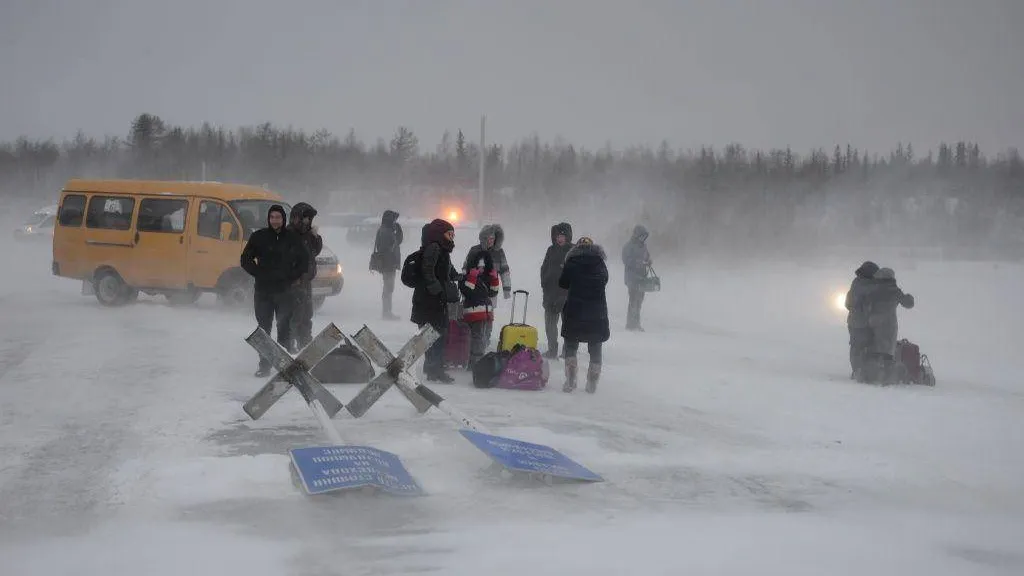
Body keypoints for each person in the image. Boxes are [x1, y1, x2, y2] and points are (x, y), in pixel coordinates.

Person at [240, 204, 309, 377]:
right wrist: (259, 273)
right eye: (272, 217)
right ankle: (264, 365)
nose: (275, 220)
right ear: (268, 219)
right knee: (264, 330)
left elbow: (304, 261)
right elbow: (245, 259)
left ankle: (283, 366)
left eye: (278, 217)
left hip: (284, 292)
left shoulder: (292, 238)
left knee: (283, 327)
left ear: (283, 219)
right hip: (263, 291)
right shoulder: (259, 237)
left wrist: (291, 276)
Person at [558, 236, 610, 393]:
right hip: (596, 312)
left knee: (571, 345)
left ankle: (570, 377)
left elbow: (563, 283)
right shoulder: (600, 264)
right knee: (595, 347)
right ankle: (593, 379)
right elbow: (605, 280)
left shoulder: (572, 263)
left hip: (575, 310)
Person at [411, 218, 460, 383]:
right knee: (435, 335)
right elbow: (428, 271)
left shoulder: (443, 250)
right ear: (440, 234)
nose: (452, 238)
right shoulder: (434, 248)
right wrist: (438, 290)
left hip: (435, 300)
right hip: (429, 300)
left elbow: (449, 272)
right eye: (449, 234)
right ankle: (434, 369)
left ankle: (433, 368)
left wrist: (461, 276)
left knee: (437, 334)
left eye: (453, 234)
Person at [862, 267, 915, 384]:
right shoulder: (894, 290)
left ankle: (871, 375)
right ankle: (887, 377)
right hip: (888, 324)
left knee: (873, 350)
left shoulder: (873, 289)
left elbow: (865, 304)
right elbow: (908, 304)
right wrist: (909, 297)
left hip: (872, 322)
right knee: (887, 353)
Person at [463, 224, 511, 345]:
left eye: (493, 239)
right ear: (483, 238)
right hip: (474, 291)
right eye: (489, 238)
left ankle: (485, 341)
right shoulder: (474, 250)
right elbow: (465, 268)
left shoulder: (499, 252)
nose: (492, 241)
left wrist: (507, 288)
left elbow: (504, 270)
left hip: (491, 291)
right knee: (475, 316)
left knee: (488, 317)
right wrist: (465, 286)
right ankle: (472, 342)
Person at [287, 202, 322, 352]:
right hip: (293, 283)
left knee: (307, 314)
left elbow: (314, 252)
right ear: (296, 218)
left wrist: (316, 237)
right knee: (294, 316)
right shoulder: (288, 234)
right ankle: (289, 346)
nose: (308, 222)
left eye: (309, 219)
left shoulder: (307, 235)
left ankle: (305, 343)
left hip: (306, 281)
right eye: (305, 218)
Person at [460, 250, 500, 369]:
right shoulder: (467, 277)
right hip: (474, 314)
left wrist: (494, 279)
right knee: (477, 339)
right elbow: (468, 292)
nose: (481, 270)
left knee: (482, 338)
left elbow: (493, 292)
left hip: (486, 314)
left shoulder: (485, 278)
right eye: (479, 267)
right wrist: (472, 277)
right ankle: (475, 364)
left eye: (483, 267)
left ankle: (476, 362)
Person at [539, 222, 573, 359]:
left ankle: (568, 351)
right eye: (558, 236)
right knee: (550, 325)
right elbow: (544, 268)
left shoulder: (573, 251)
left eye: (563, 236)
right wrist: (544, 284)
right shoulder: (551, 250)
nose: (560, 238)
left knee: (568, 325)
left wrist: (566, 293)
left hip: (568, 295)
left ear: (568, 237)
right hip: (551, 294)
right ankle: (552, 349)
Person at [843, 260, 879, 380]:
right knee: (868, 346)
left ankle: (857, 370)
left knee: (855, 347)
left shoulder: (855, 284)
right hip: (866, 322)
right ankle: (865, 371)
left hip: (853, 322)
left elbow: (847, 304)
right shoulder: (871, 286)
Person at [369, 209, 403, 320]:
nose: (395, 222)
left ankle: (387, 312)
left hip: (389, 263)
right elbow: (387, 247)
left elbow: (397, 241)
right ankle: (387, 313)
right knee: (388, 288)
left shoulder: (387, 230)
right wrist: (396, 232)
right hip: (388, 264)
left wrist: (398, 231)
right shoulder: (385, 231)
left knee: (389, 288)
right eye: (394, 220)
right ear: (389, 220)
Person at [621, 224, 651, 331]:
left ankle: (636, 323)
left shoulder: (644, 246)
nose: (643, 238)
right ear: (636, 235)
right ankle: (630, 324)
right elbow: (626, 260)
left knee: (639, 301)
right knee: (633, 300)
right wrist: (639, 263)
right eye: (641, 236)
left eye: (644, 236)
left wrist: (648, 261)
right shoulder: (628, 246)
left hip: (642, 278)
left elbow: (647, 256)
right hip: (632, 279)